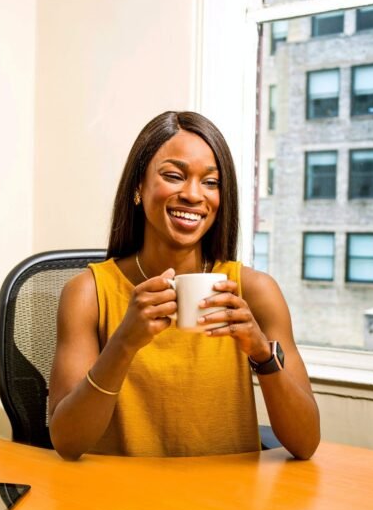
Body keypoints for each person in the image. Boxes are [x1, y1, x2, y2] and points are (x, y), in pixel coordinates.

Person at [48, 111, 320, 461]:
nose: (193, 195)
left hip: (226, 501)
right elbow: (67, 442)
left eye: (210, 182)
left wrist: (262, 354)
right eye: (174, 176)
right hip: (120, 502)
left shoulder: (255, 291)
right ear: (137, 187)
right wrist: (123, 343)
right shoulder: (87, 293)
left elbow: (306, 443)